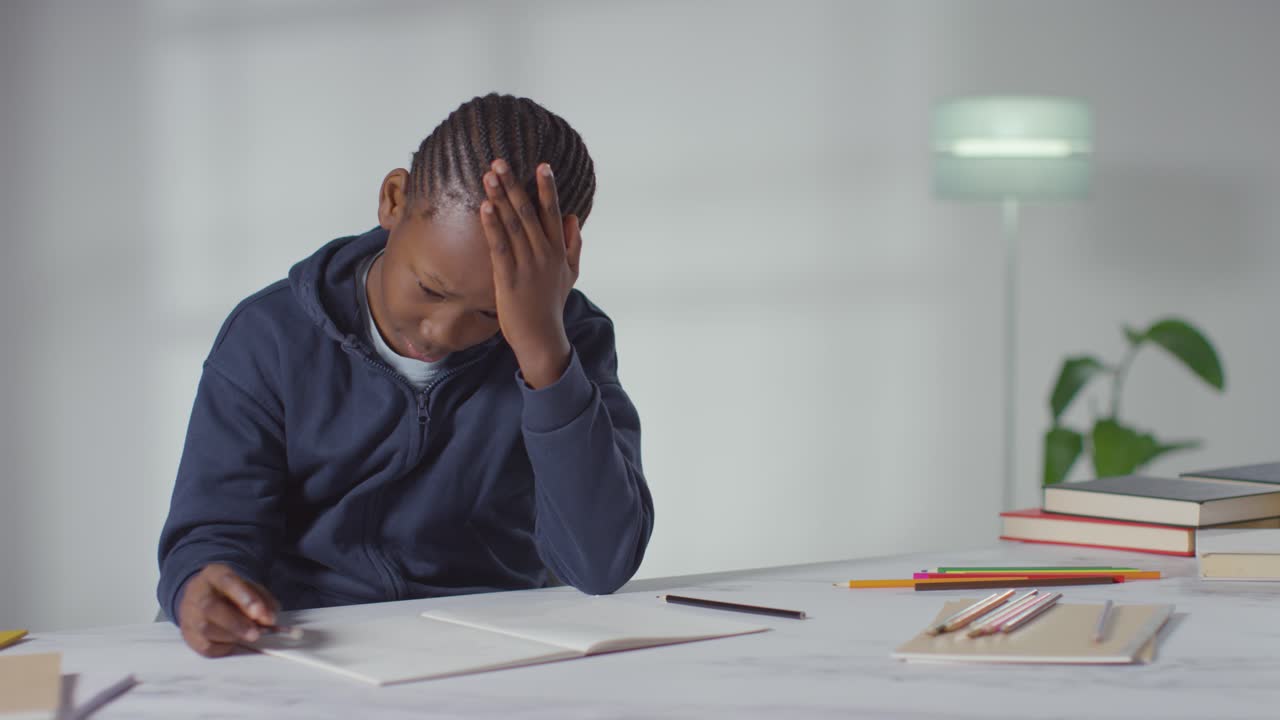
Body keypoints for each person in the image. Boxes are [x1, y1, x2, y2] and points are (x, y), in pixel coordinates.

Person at [156, 93, 654, 657]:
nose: (442, 331)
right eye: (431, 289)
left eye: (492, 312)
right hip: (306, 644)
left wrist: (542, 353)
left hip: (483, 648)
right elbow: (212, 532)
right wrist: (201, 584)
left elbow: (599, 564)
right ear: (394, 200)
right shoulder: (271, 335)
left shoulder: (570, 342)